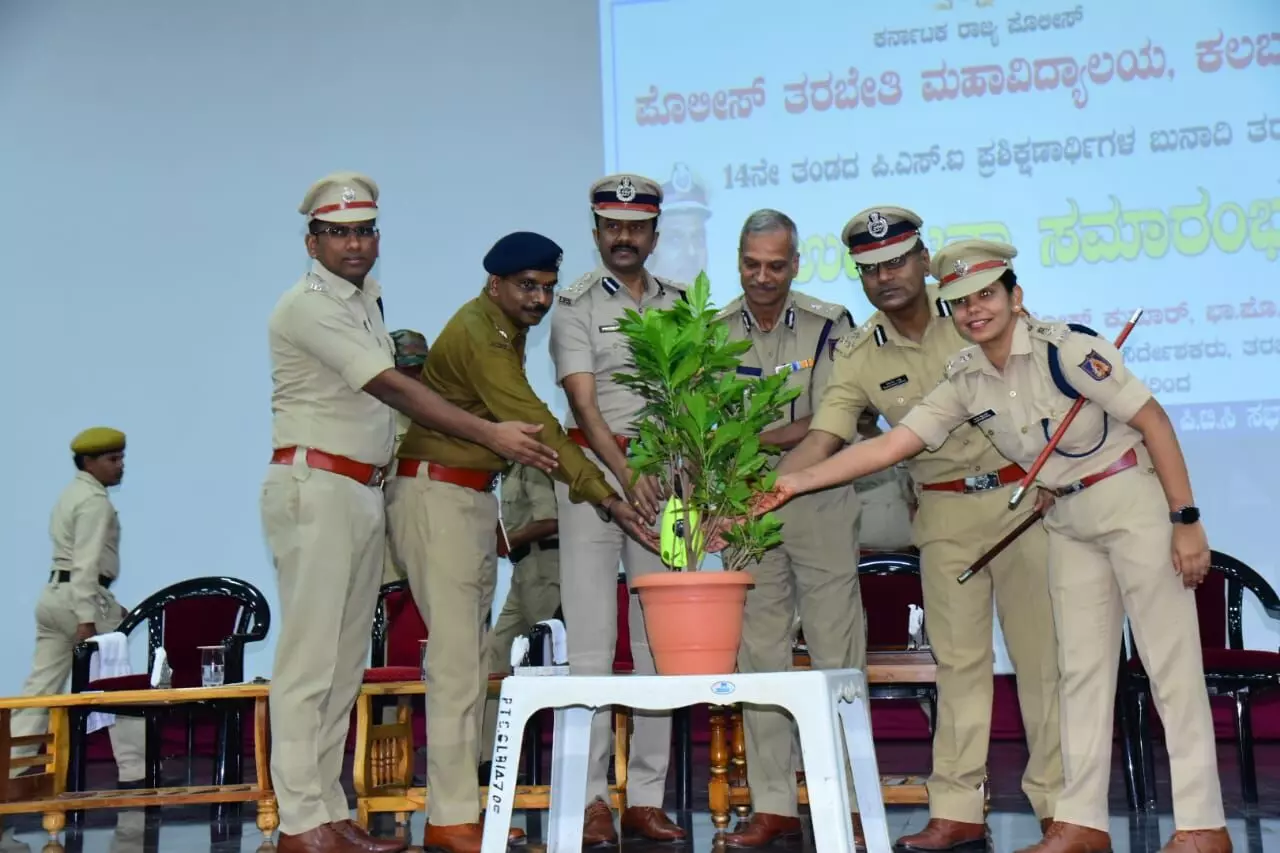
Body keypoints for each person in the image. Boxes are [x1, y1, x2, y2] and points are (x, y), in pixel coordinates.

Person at [750, 239, 1230, 853]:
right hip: (1064, 520)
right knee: (1079, 674)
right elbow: (888, 447)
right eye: (961, 302)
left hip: (1129, 503)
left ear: (1014, 296)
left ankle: (1202, 826)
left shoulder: (1067, 349)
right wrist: (793, 480)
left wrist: (1185, 519)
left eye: (985, 295)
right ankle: (1081, 822)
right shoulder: (966, 380)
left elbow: (1154, 421)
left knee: (1170, 667)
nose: (975, 310)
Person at [263, 173, 558, 853]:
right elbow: (394, 386)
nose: (354, 243)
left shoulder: (365, 298)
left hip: (363, 490)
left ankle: (328, 813)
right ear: (312, 240)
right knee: (311, 661)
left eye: (364, 230)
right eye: (339, 232)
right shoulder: (306, 307)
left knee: (341, 665)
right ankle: (301, 820)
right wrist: (489, 435)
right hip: (316, 484)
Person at [777, 208, 1065, 851]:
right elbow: (826, 437)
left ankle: (1059, 809)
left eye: (897, 260)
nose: (885, 276)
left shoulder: (973, 308)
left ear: (922, 258)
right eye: (870, 268)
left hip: (1027, 502)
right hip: (943, 512)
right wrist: (764, 493)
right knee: (959, 662)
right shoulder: (857, 354)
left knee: (1043, 662)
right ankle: (958, 808)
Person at [386, 230, 655, 853]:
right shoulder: (485, 337)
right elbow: (540, 430)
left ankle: (456, 812)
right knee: (457, 666)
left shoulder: (504, 329)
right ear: (495, 285)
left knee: (468, 662)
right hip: (440, 495)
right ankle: (452, 820)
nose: (539, 298)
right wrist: (608, 496)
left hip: (463, 495)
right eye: (526, 287)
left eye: (547, 287)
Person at [709, 209, 867, 849]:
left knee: (835, 652)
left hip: (820, 499)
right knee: (760, 657)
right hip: (745, 511)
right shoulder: (715, 332)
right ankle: (774, 804)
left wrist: (751, 438)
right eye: (752, 264)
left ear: (796, 263)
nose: (763, 277)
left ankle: (849, 803)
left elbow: (834, 419)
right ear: (739, 261)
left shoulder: (833, 324)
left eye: (777, 264)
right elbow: (703, 425)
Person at [548, 173, 690, 845]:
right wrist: (627, 474)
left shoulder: (684, 304)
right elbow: (582, 402)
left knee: (663, 640)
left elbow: (693, 398)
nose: (625, 236)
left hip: (668, 479)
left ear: (654, 235)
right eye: (613, 226)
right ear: (597, 232)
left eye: (637, 227)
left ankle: (647, 797)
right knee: (592, 647)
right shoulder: (573, 303)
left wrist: (674, 478)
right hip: (591, 476)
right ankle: (589, 800)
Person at [9, 428, 144, 787]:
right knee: (121, 688)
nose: (120, 466)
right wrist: (88, 617)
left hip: (54, 595)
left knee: (39, 692)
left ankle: (7, 770)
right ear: (89, 462)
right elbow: (86, 565)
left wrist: (108, 604)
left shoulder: (71, 494)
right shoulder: (94, 502)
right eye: (112, 459)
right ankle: (136, 773)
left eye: (121, 458)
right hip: (80, 601)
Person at [478, 462, 562, 769]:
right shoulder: (508, 469)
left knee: (561, 666)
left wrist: (507, 540)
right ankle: (489, 760)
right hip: (523, 574)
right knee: (494, 657)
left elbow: (551, 519)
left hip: (546, 571)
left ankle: (588, 757)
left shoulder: (532, 465)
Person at [382, 329, 430, 585]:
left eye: (420, 367)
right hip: (385, 537)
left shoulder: (442, 416)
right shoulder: (378, 418)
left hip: (432, 532)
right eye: (407, 369)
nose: (415, 376)